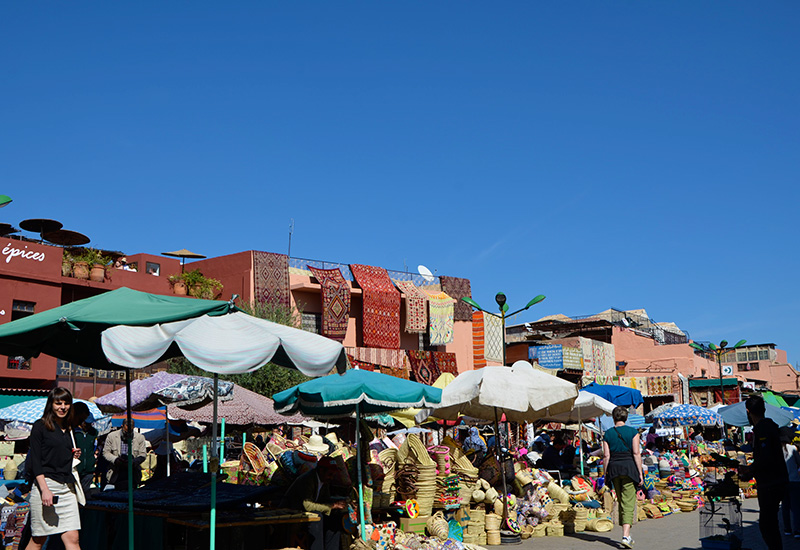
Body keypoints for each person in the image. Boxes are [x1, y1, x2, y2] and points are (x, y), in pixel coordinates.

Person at [25, 387, 82, 550]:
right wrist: (45, 490)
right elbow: (36, 461)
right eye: (58, 403)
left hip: (67, 488)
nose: (62, 407)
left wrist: (72, 455)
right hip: (47, 485)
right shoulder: (40, 426)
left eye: (66, 403)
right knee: (38, 540)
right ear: (51, 404)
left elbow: (56, 454)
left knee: (73, 538)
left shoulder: (69, 429)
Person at [741, 395, 788, 550]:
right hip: (774, 481)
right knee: (769, 524)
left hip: (771, 483)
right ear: (764, 409)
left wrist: (751, 469)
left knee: (767, 525)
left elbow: (766, 456)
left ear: (748, 411)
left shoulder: (764, 428)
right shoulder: (767, 427)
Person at [281, 457, 349, 550]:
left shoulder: (324, 481)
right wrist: (332, 506)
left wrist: (342, 503)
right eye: (329, 474)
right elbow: (307, 505)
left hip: (307, 512)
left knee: (335, 518)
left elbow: (325, 500)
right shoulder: (308, 480)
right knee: (317, 517)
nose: (331, 478)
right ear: (321, 471)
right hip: (294, 513)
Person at [602, 406, 643, 549]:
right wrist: (640, 473)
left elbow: (606, 456)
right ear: (626, 417)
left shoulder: (607, 434)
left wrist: (605, 473)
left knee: (621, 500)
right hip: (629, 469)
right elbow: (636, 454)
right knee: (628, 502)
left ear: (613, 418)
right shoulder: (633, 432)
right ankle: (626, 535)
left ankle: (626, 533)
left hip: (614, 469)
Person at [102, 419, 147, 489]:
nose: (127, 434)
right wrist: (115, 460)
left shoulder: (140, 438)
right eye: (125, 432)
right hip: (115, 474)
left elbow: (143, 455)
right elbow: (105, 452)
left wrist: (133, 462)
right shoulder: (111, 436)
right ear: (122, 426)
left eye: (130, 431)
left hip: (133, 474)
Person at [70, 402, 97, 497]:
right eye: (86, 423)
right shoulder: (73, 432)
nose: (88, 425)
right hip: (77, 468)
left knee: (85, 493)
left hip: (89, 469)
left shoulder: (94, 433)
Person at [780, 427, 800, 538]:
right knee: (796, 507)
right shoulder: (792, 448)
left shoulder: (776, 450)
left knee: (785, 506)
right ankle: (797, 530)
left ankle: (787, 529)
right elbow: (799, 462)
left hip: (782, 482)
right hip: (794, 481)